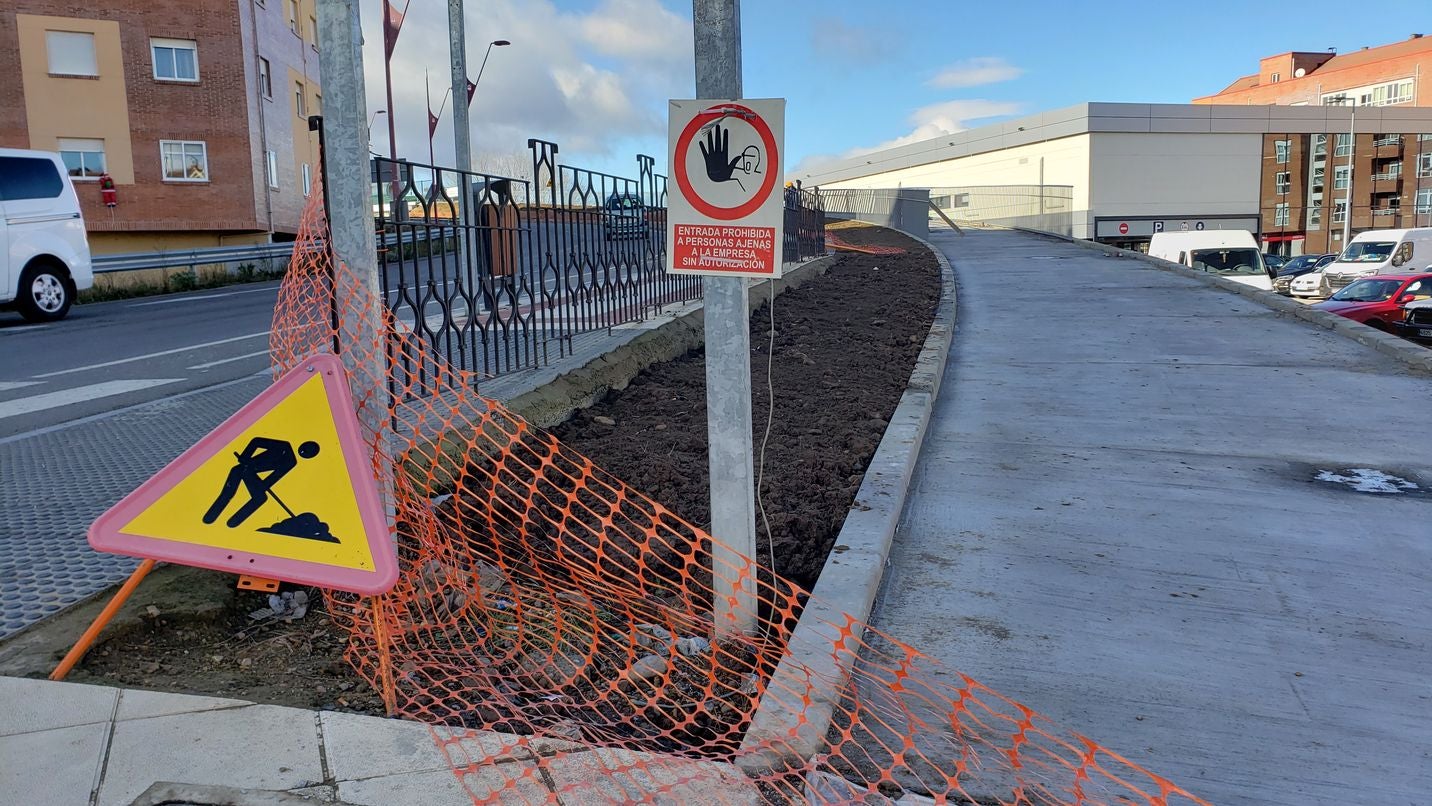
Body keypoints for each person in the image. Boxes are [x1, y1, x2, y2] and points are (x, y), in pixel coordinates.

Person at [203, 437, 319, 529]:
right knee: (228, 493)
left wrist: (263, 485)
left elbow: (274, 477)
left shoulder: (291, 462)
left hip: (250, 472)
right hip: (241, 468)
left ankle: (233, 522)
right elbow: (256, 441)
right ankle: (210, 517)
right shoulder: (283, 446)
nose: (304, 453)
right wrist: (245, 456)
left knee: (260, 498)